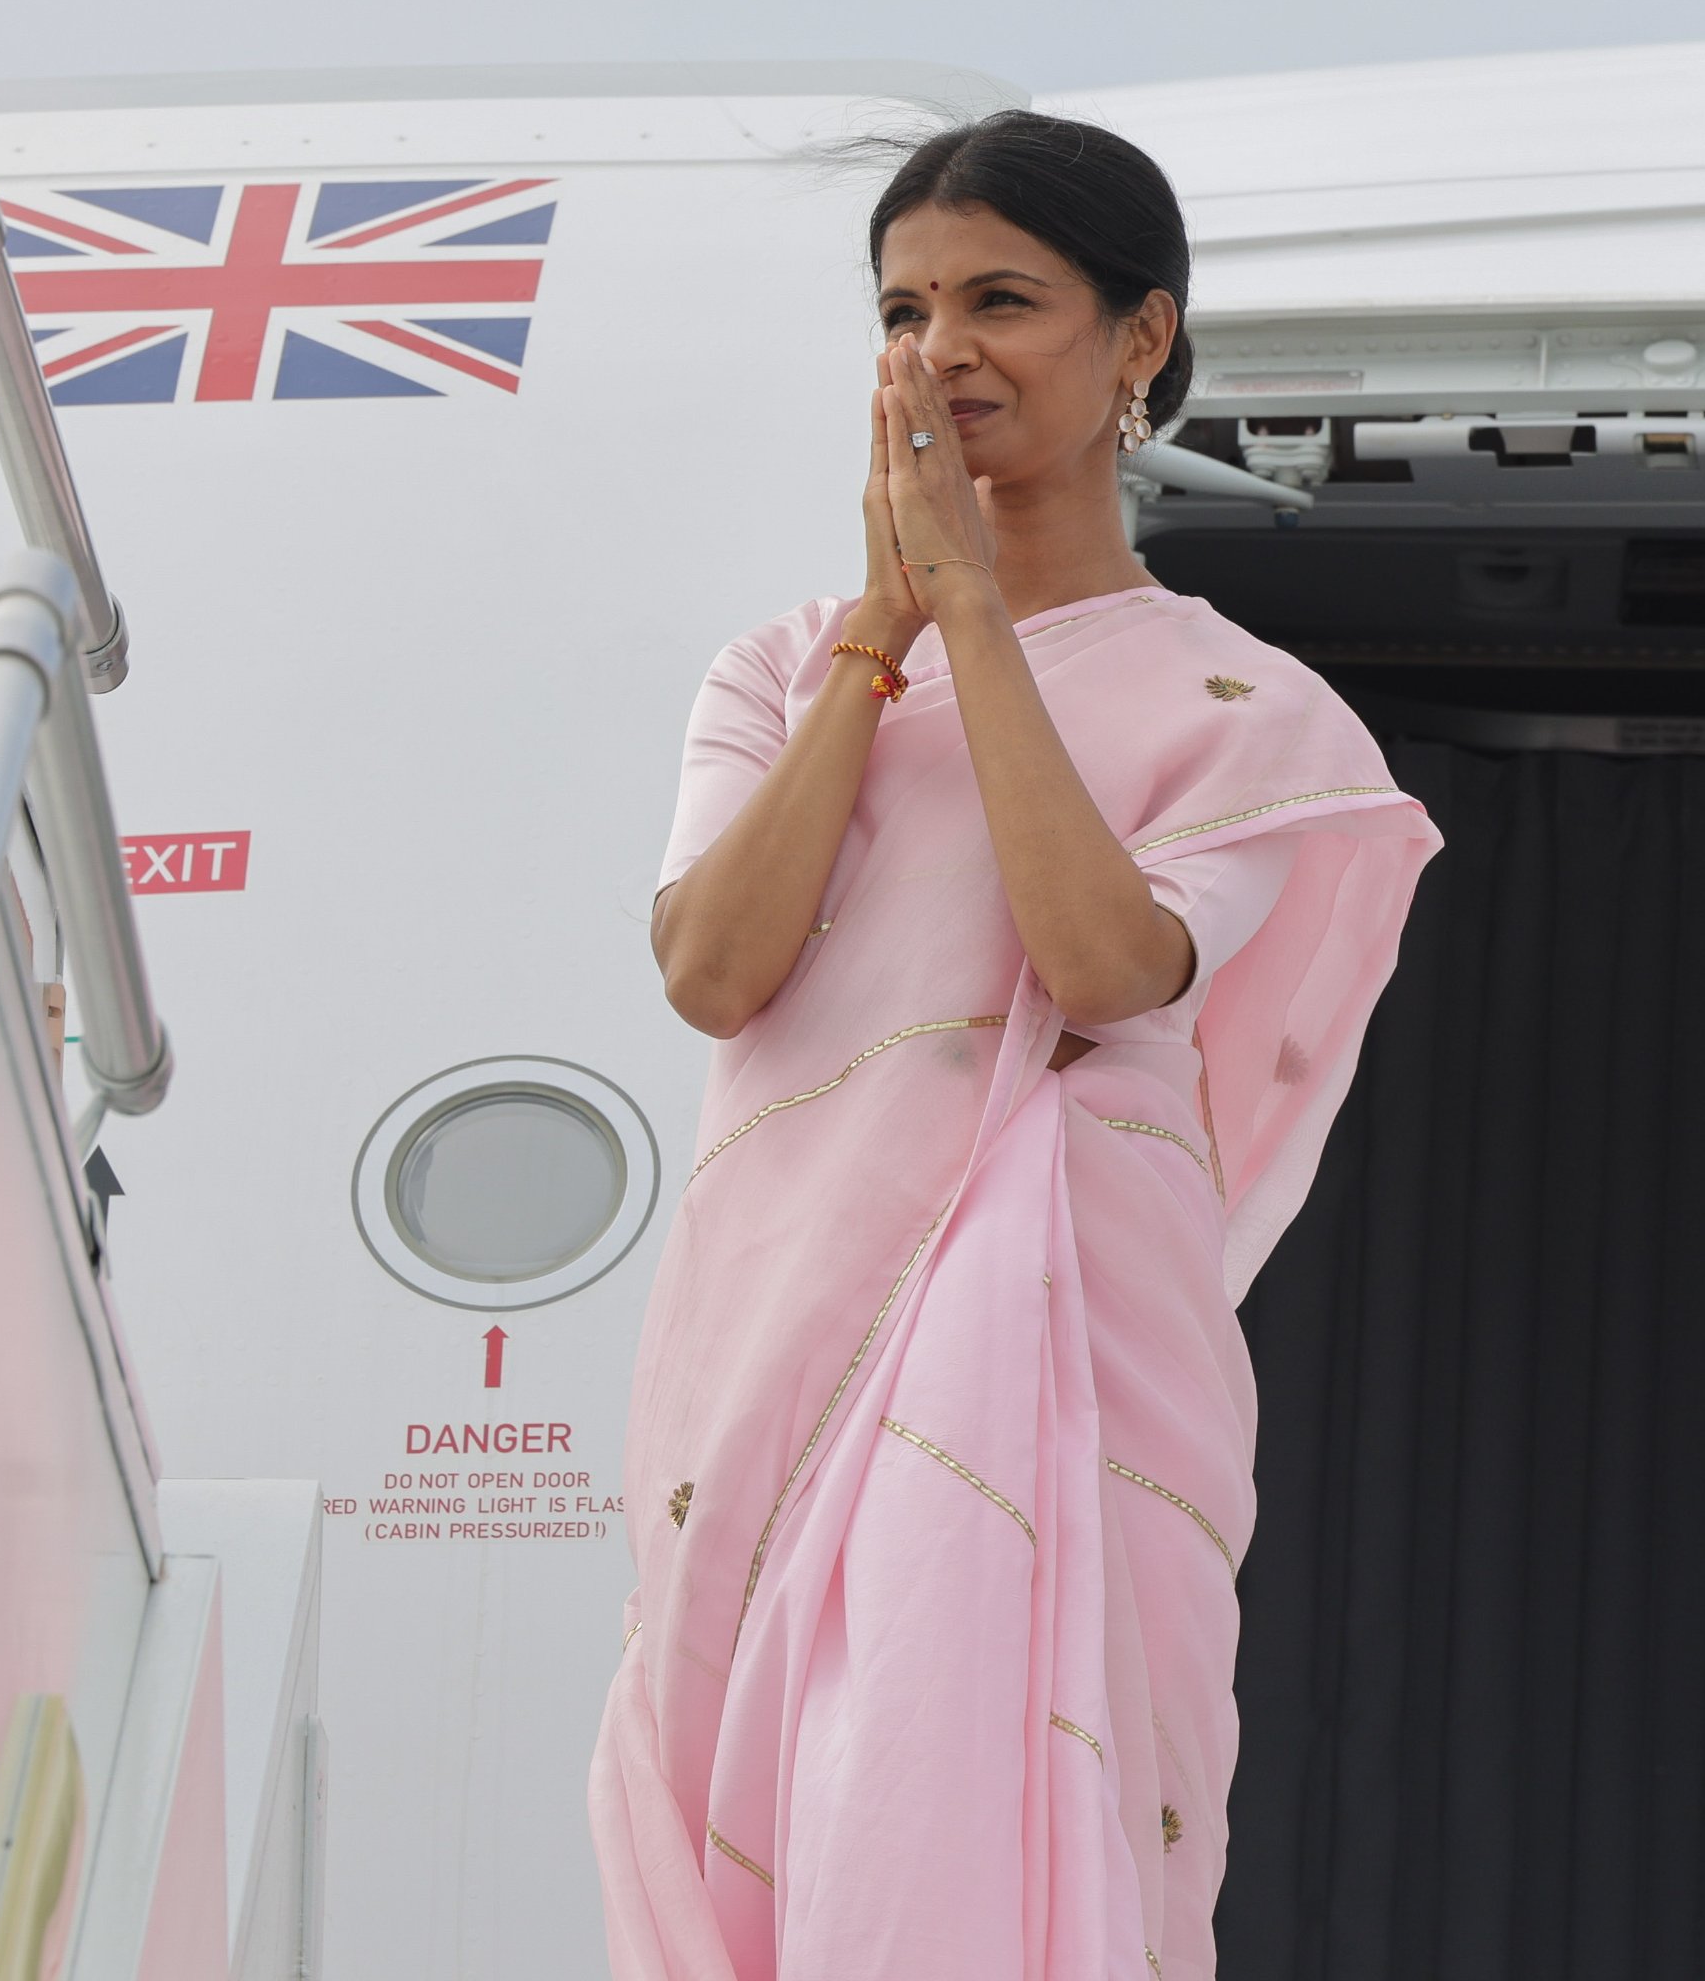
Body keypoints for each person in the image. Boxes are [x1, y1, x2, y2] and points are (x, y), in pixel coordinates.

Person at [589, 112, 1439, 1981]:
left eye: (1002, 300)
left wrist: (973, 609)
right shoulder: (784, 669)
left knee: (983, 1807)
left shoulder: (1246, 709)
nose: (942, 348)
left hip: (1064, 1369)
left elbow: (1104, 963)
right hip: (769, 1338)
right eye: (904, 308)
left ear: (1140, 339)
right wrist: (880, 640)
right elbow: (715, 972)